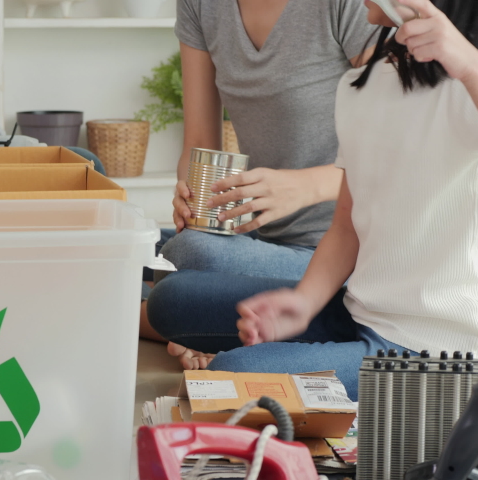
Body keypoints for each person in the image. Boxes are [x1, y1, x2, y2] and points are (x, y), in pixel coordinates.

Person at [165, 0, 478, 401]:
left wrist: (472, 66)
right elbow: (345, 226)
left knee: (231, 374)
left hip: (439, 346)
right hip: (363, 312)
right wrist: (303, 303)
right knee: (173, 302)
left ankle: (463, 380)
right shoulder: (361, 86)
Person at [142, 0, 378, 368]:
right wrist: (193, 199)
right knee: (145, 244)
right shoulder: (201, 5)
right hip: (264, 238)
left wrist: (305, 187)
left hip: (338, 254)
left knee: (190, 256)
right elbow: (200, 142)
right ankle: (189, 327)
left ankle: (175, 325)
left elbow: (397, 153)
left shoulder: (348, 6)